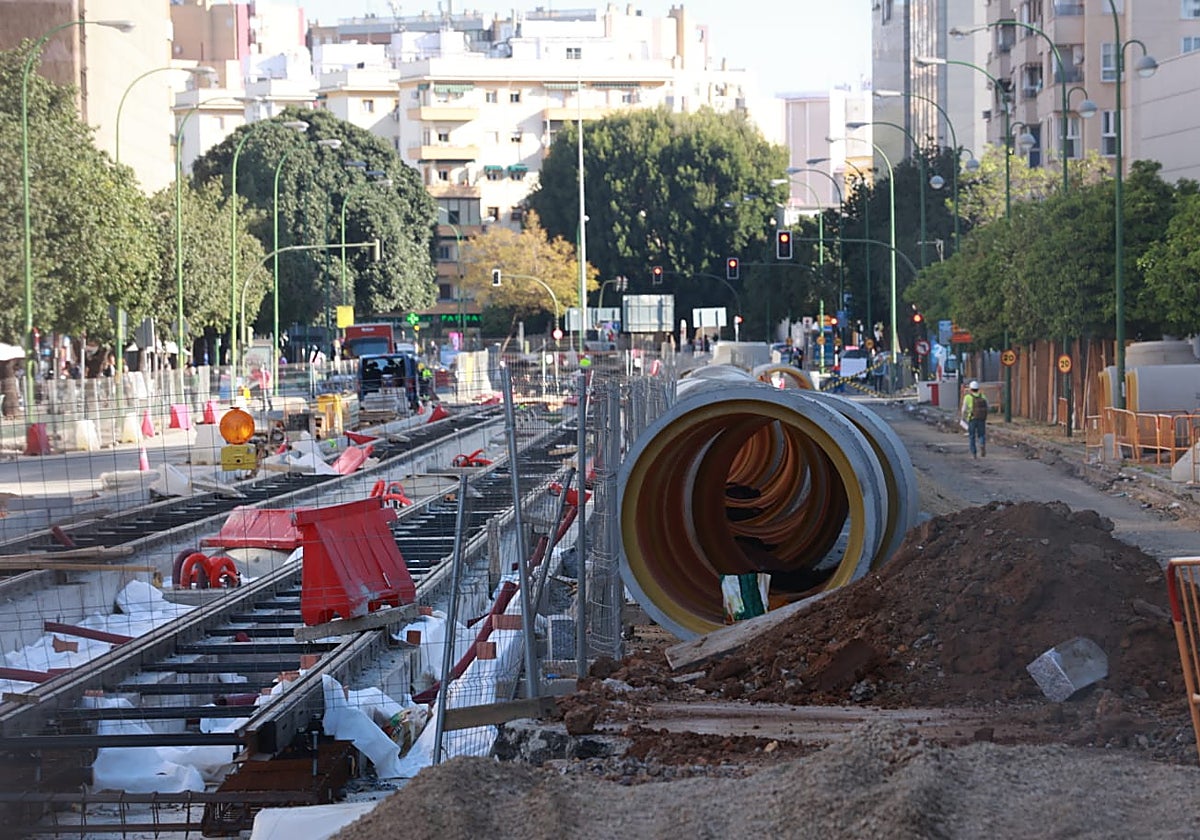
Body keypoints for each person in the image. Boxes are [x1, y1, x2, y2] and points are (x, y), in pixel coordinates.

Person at [960, 380, 989, 458]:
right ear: (978, 388)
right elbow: (988, 406)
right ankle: (982, 444)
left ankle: (974, 453)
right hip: (981, 418)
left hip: (972, 418)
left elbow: (964, 409)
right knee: (981, 434)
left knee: (972, 436)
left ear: (970, 389)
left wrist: (963, 417)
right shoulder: (983, 396)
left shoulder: (967, 397)